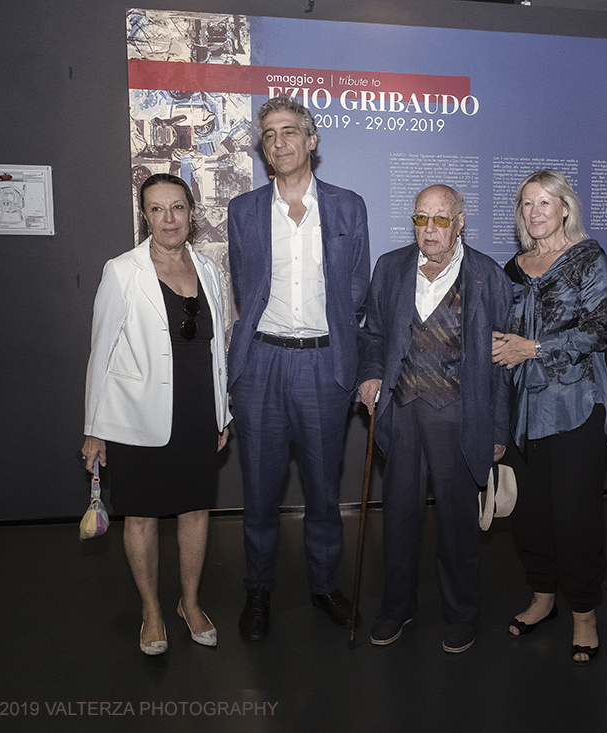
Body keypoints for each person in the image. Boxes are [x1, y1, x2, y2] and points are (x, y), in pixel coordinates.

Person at [226, 96, 370, 641]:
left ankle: (324, 586)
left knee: (323, 492)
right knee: (260, 493)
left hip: (322, 365)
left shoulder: (347, 206)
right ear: (263, 149)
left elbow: (357, 285)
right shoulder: (244, 211)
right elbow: (245, 285)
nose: (279, 142)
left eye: (289, 131)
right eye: (269, 135)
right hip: (261, 363)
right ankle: (258, 590)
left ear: (311, 141)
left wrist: (331, 340)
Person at [357, 185, 511, 654]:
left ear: (459, 222)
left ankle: (461, 612)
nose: (429, 230)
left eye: (441, 220)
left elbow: (503, 361)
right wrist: (367, 375)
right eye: (421, 219)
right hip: (401, 411)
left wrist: (498, 429)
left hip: (459, 416)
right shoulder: (390, 267)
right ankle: (395, 608)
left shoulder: (487, 275)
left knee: (458, 521)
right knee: (398, 517)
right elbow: (373, 335)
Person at [82, 173, 231, 655]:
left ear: (192, 212)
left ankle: (190, 603)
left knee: (195, 509)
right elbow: (100, 353)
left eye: (178, 208)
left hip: (196, 411)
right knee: (142, 516)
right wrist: (93, 430)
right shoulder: (122, 271)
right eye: (157, 209)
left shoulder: (210, 269)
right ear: (143, 215)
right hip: (136, 416)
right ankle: (151, 611)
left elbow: (219, 348)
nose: (169, 219)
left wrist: (221, 413)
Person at [491, 170, 607, 665]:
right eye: (526, 204)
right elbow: (498, 340)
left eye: (545, 202)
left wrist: (534, 347)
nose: (535, 211)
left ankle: (584, 613)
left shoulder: (588, 258)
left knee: (574, 516)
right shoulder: (512, 270)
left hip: (574, 408)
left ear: (565, 207)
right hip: (520, 413)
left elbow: (598, 330)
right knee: (529, 515)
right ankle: (543, 598)